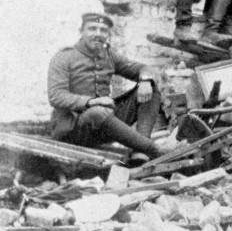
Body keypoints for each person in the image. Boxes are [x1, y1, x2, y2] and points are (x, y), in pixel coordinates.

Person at [48, 12, 167, 159]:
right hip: (73, 129)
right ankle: (154, 149)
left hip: (104, 126)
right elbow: (56, 95)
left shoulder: (109, 55)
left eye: (103, 30)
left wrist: (145, 80)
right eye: (92, 29)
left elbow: (143, 68)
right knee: (97, 112)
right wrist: (91, 102)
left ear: (108, 35)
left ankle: (140, 152)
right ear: (81, 31)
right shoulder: (64, 57)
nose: (98, 34)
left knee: (151, 90)